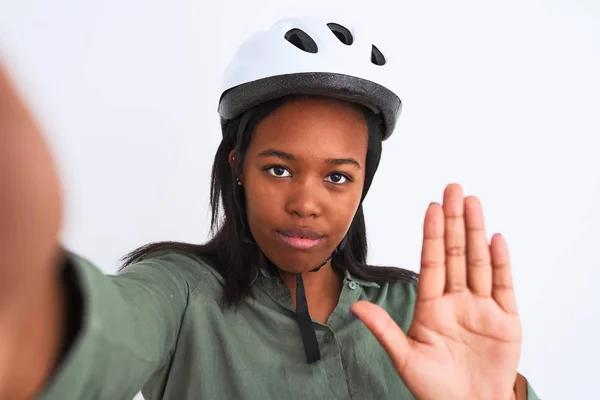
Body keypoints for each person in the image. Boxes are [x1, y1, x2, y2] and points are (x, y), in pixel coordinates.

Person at [0, 16, 540, 400]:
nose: (306, 203)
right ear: (237, 164)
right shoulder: (180, 293)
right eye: (278, 169)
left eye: (337, 177)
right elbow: (82, 341)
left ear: (363, 184)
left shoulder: (418, 309)